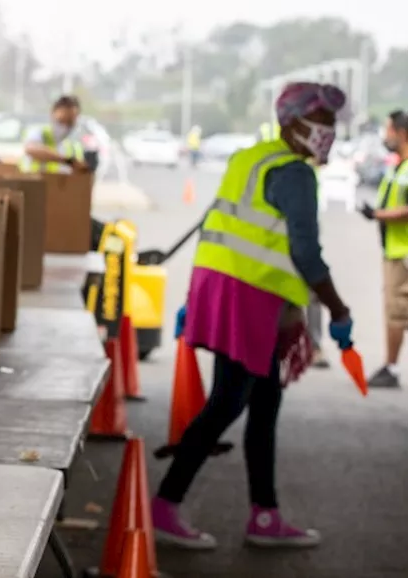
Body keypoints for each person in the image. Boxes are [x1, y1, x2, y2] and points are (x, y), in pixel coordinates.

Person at [153, 82, 353, 551]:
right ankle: (164, 506)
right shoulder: (295, 175)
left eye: (331, 125)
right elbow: (306, 252)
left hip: (229, 292)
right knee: (228, 403)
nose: (328, 133)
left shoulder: (251, 157)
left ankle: (265, 515)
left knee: (264, 406)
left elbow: (219, 223)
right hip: (251, 301)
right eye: (320, 122)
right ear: (292, 121)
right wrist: (338, 308)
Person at [360, 109, 409, 388]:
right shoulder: (398, 167)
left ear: (402, 134)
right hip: (394, 250)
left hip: (403, 253)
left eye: (389, 131)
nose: (385, 137)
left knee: (396, 312)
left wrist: (377, 215)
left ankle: (391, 367)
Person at [21, 95, 88, 173]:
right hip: (35, 184)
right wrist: (68, 161)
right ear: (52, 113)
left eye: (69, 122)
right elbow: (31, 149)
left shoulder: (74, 145)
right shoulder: (39, 133)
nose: (65, 126)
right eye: (61, 120)